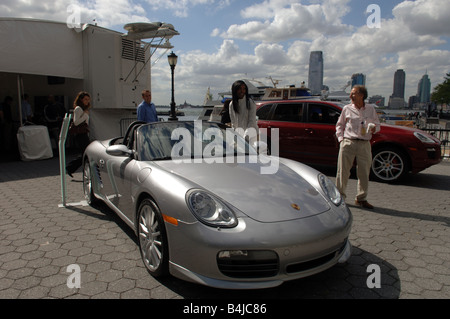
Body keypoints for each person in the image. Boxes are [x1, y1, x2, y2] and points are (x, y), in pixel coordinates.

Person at [335, 85, 380, 209]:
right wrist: (341, 140)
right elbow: (339, 125)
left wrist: (374, 128)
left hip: (364, 144)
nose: (351, 96)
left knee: (364, 172)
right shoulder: (347, 108)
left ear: (361, 95)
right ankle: (340, 196)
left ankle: (361, 198)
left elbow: (377, 124)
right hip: (348, 142)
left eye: (353, 93)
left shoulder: (370, 109)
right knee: (342, 171)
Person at [66, 92, 91, 178]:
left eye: (88, 99)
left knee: (84, 153)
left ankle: (71, 168)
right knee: (85, 153)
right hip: (80, 134)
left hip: (83, 133)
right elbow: (76, 122)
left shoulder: (83, 109)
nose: (87, 101)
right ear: (81, 100)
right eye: (85, 99)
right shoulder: (78, 109)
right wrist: (85, 115)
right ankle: (70, 167)